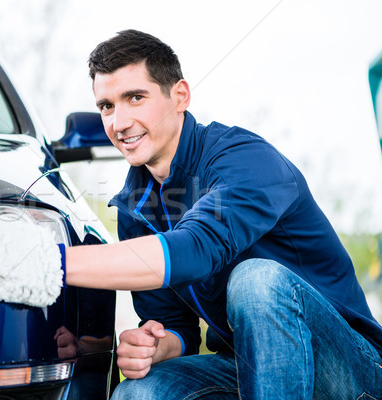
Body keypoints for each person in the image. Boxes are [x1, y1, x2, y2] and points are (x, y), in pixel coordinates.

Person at [63, 29, 382, 399]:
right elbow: (178, 327)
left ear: (179, 95)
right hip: (244, 366)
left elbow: (196, 248)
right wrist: (155, 345)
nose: (119, 123)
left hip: (352, 369)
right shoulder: (135, 210)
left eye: (136, 98)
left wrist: (49, 264)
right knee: (139, 392)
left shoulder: (245, 159)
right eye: (107, 106)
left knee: (256, 279)